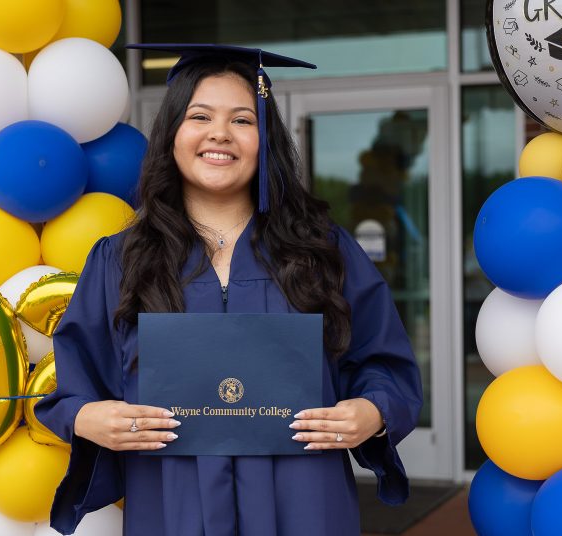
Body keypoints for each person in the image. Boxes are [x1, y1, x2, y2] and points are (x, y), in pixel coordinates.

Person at [35, 44, 423, 536]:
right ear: (172, 134)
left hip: (304, 501)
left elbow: (383, 362)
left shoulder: (322, 251)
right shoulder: (120, 259)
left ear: (266, 140)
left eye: (242, 120)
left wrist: (372, 411)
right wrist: (88, 418)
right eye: (200, 116)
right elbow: (73, 383)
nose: (220, 133)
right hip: (171, 502)